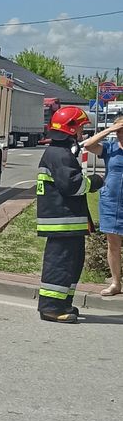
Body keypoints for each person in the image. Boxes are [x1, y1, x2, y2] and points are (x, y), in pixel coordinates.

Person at [37, 106, 105, 323]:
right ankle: (50, 308)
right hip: (61, 222)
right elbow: (72, 185)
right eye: (81, 128)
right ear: (71, 129)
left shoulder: (60, 152)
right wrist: (93, 182)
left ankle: (63, 302)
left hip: (66, 222)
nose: (83, 134)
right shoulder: (59, 154)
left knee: (72, 263)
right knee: (60, 263)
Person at [82, 118, 123, 296]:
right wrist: (110, 129)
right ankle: (115, 283)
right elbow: (89, 145)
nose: (121, 135)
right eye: (119, 131)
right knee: (113, 244)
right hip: (111, 201)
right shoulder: (110, 147)